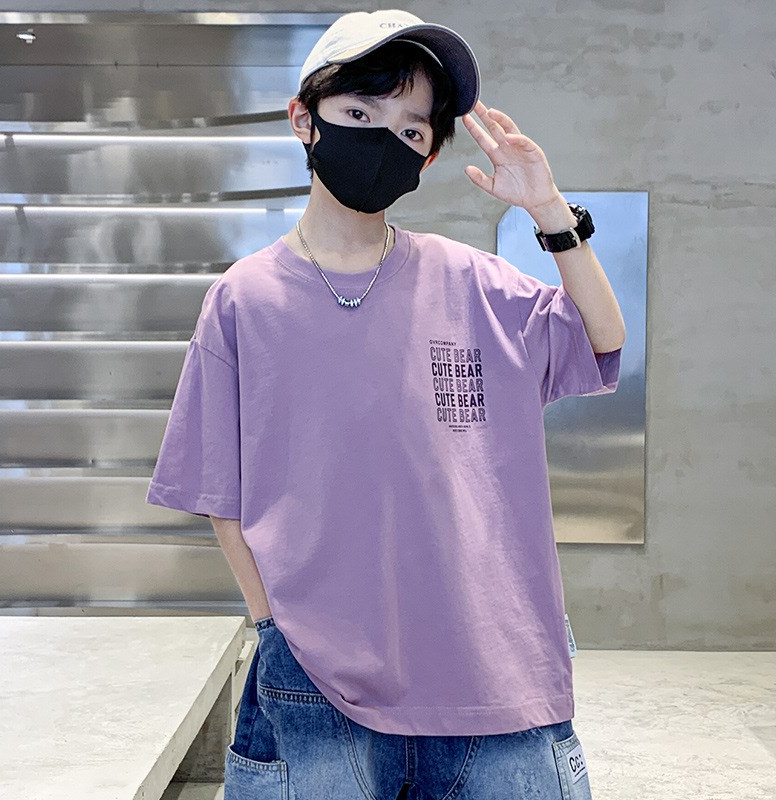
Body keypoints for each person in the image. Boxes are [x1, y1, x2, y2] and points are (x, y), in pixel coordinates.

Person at [146, 9, 625, 799]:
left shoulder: (472, 283)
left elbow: (600, 339)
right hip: (317, 679)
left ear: (428, 157)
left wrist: (550, 214)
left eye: (410, 129)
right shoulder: (244, 300)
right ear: (304, 119)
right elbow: (215, 491)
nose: (383, 139)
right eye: (360, 113)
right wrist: (273, 624)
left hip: (494, 678)